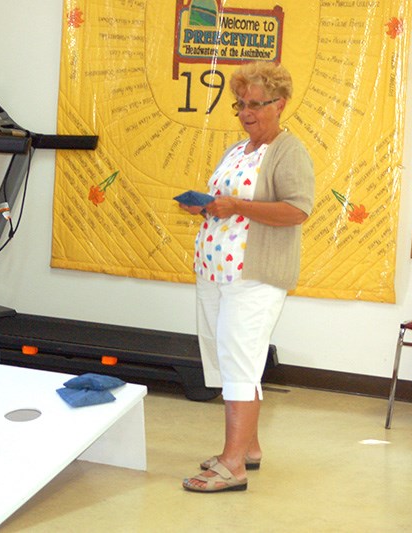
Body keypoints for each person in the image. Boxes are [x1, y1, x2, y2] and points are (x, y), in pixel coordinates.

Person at [178, 61, 315, 492]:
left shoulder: (288, 150)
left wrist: (235, 206)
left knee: (239, 362)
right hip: (217, 273)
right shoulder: (238, 149)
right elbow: (228, 203)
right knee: (230, 361)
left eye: (256, 104)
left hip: (254, 277)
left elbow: (297, 210)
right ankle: (247, 448)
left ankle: (232, 466)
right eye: (241, 104)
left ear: (281, 104)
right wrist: (207, 205)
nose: (246, 112)